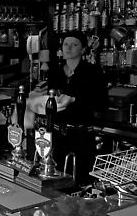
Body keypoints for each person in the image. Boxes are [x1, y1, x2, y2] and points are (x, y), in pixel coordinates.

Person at [45, 30, 109, 184]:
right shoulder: (55, 72)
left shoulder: (93, 72)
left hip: (81, 136)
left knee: (80, 182)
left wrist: (74, 99)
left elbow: (101, 104)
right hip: (57, 136)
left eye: (74, 44)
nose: (68, 48)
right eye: (66, 44)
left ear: (82, 49)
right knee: (55, 182)